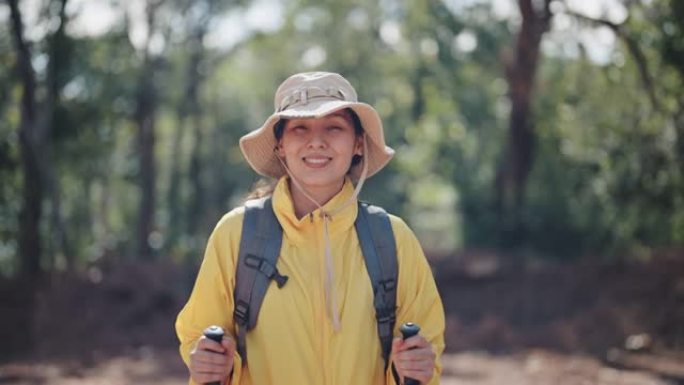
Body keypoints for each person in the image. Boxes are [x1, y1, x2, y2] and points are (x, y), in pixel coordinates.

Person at [175, 71, 445, 385]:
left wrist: (415, 366)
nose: (317, 141)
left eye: (334, 127)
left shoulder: (393, 239)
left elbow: (425, 350)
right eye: (300, 128)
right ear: (280, 145)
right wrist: (210, 362)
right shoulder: (235, 234)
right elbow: (200, 337)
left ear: (358, 143)